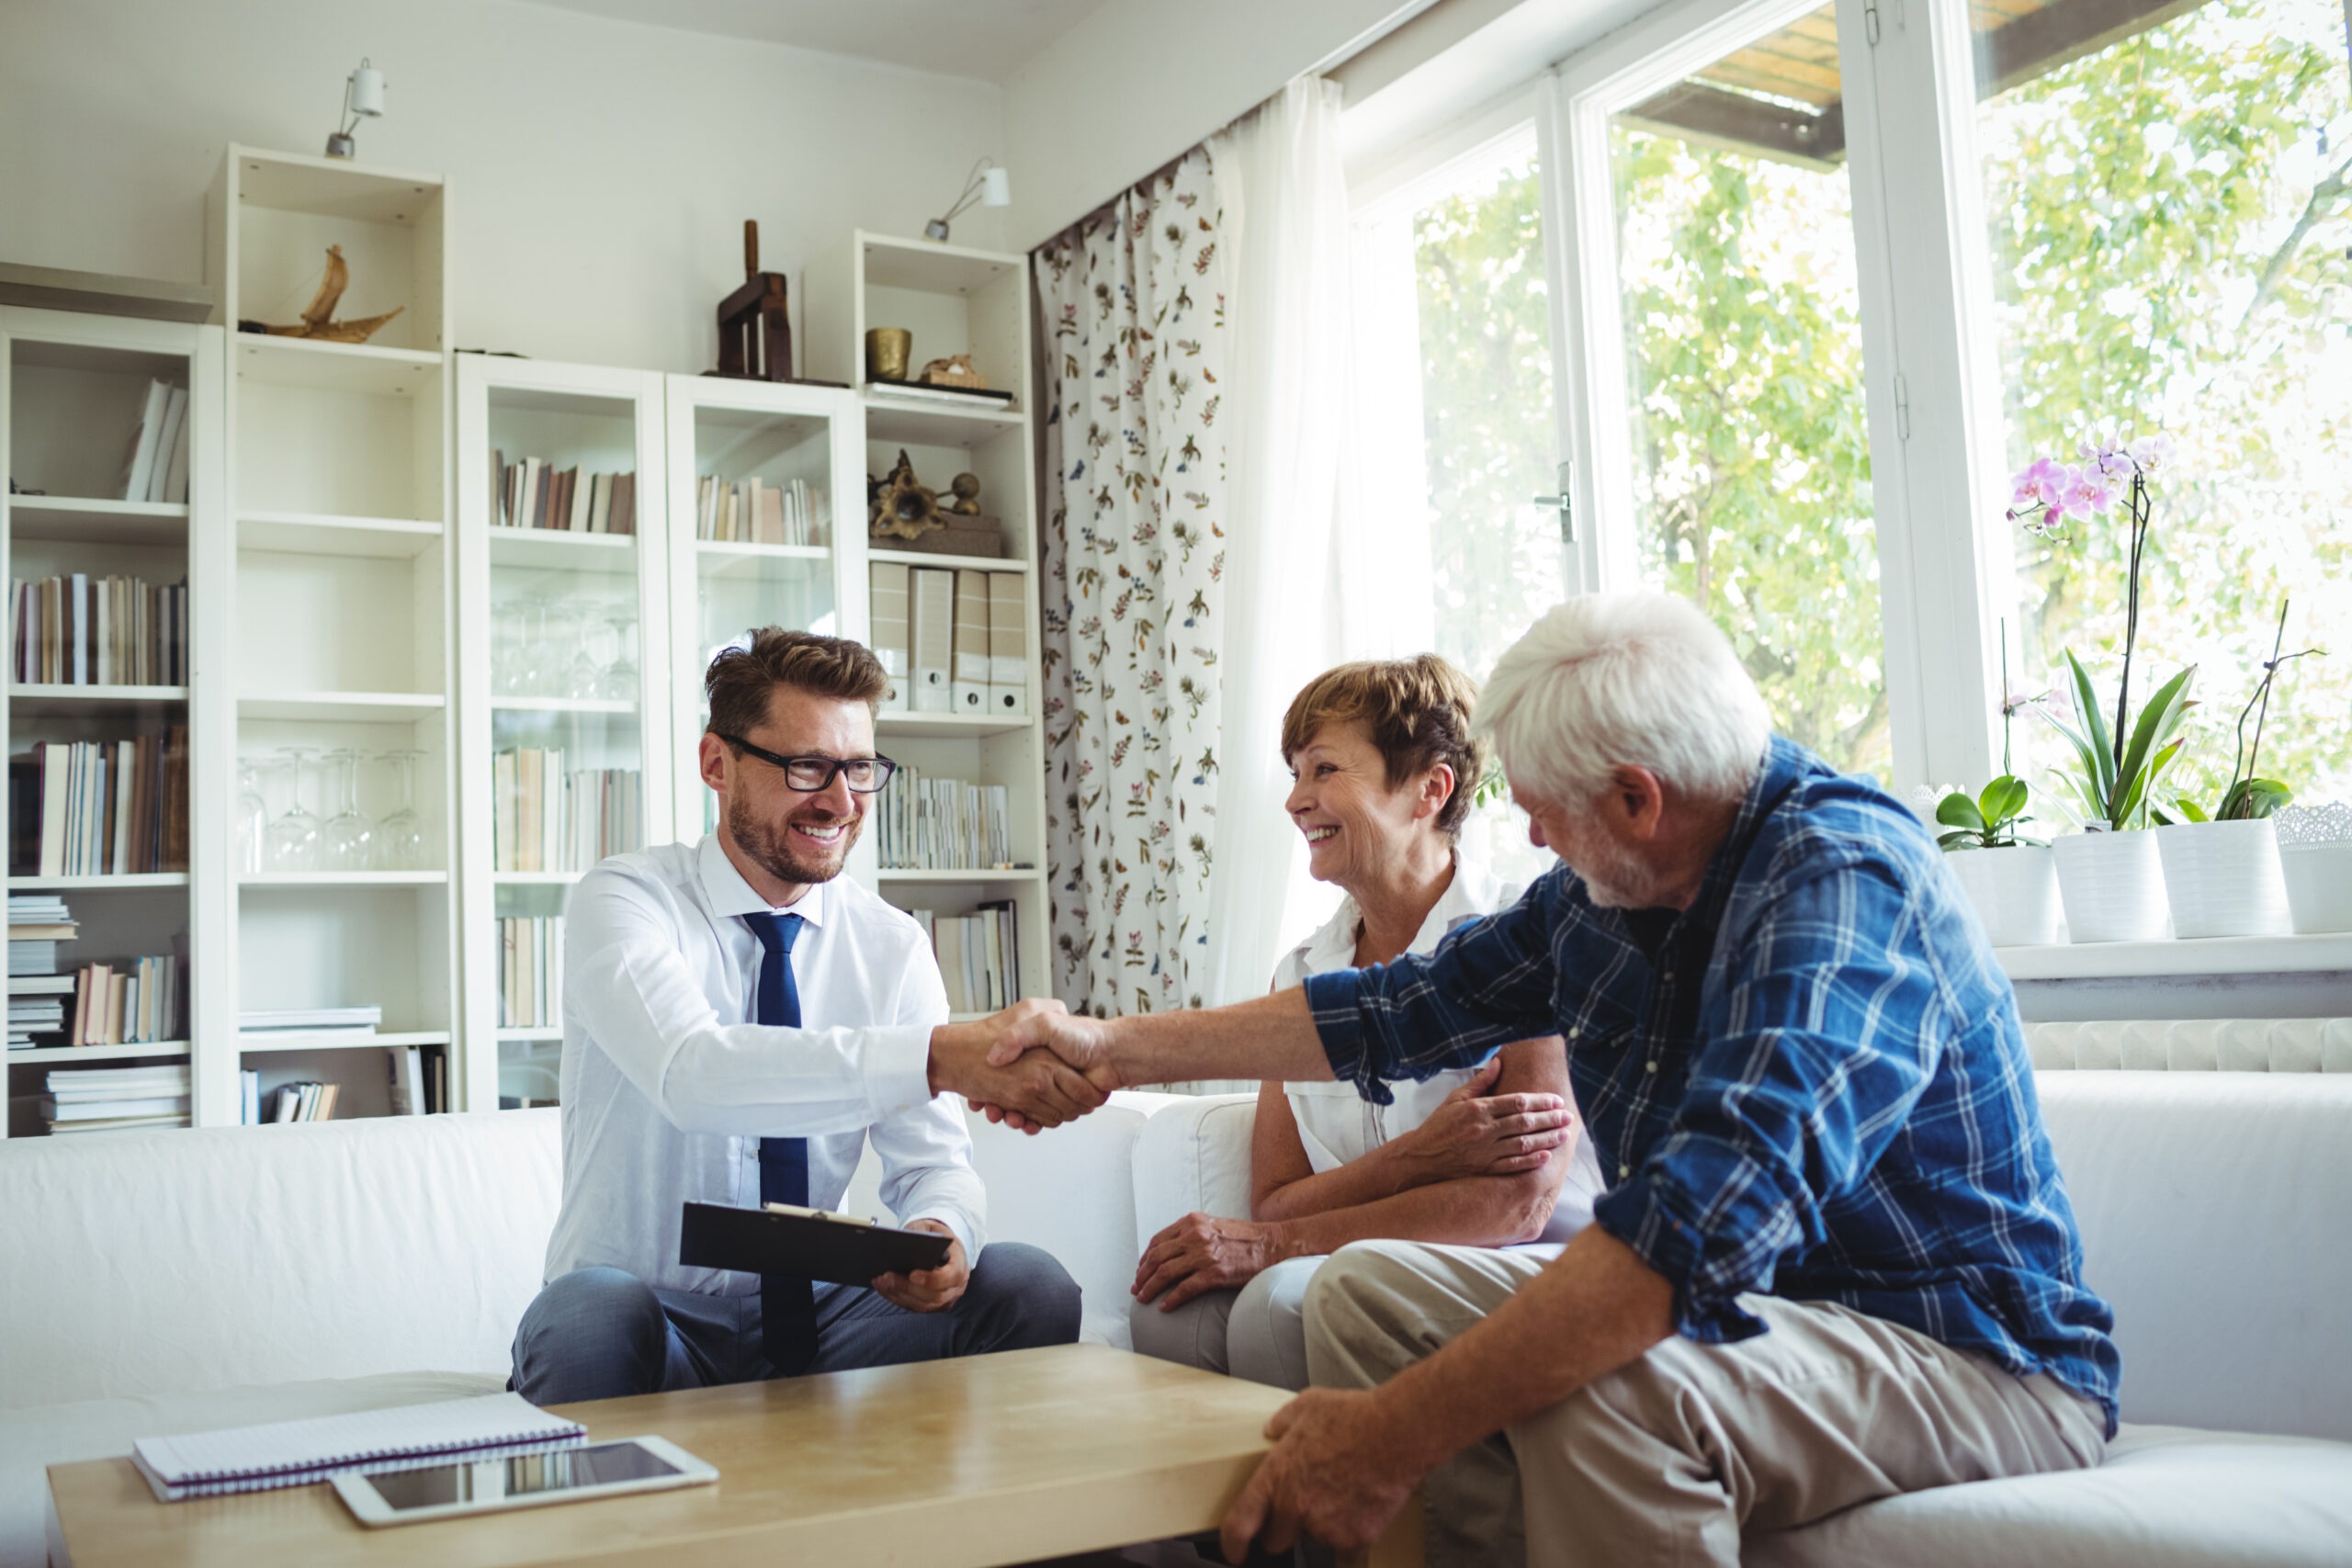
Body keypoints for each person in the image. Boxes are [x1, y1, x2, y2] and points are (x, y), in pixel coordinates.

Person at [973, 592, 2118, 1568]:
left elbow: (1694, 1231)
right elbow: (1393, 1009)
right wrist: (1109, 1048)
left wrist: (1387, 1435)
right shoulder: (1606, 896)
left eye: (1542, 803)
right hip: (1762, 1321)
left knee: (1618, 1383)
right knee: (1369, 1295)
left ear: (1636, 797)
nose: (1522, 825)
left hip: (1960, 1351)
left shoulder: (1839, 882)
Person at [510, 628, 1103, 1404]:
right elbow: (696, 1075)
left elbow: (933, 1163)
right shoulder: (625, 901)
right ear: (716, 764)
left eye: (859, 768)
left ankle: (932, 1520)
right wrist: (937, 1055)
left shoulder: (890, 944)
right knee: (586, 1311)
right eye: (806, 767)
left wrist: (940, 1229)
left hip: (828, 1317)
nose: (840, 801)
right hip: (653, 1315)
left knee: (1028, 1283)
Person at [1128, 655, 1605, 1391]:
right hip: (1354, 1249)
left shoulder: (1522, 937)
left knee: (1277, 1301)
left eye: (1323, 769)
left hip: (1518, 1249)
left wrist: (1277, 1245)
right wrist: (1414, 1160)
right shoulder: (1300, 973)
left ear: (1429, 789)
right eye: (1294, 772)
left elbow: (1518, 1202)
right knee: (1169, 1313)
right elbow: (1275, 1197)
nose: (1296, 799)